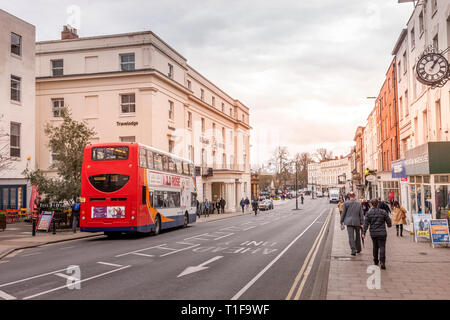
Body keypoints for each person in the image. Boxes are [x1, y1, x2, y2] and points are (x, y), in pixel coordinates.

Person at [362, 198, 392, 269]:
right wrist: (389, 225)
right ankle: (382, 262)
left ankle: (375, 261)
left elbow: (366, 224)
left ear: (371, 204)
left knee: (375, 247)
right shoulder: (383, 212)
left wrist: (364, 232)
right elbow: (388, 221)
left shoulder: (368, 213)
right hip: (382, 232)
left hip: (373, 233)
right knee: (382, 247)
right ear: (378, 204)